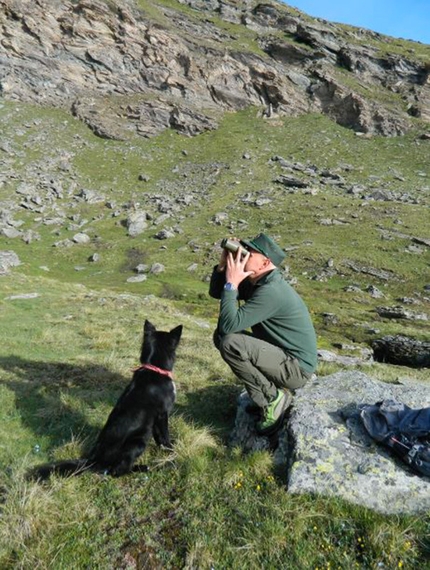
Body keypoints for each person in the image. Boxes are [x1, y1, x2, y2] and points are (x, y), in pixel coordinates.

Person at [209, 233, 317, 434]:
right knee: (221, 337)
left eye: (250, 253)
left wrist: (232, 284)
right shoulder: (257, 281)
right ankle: (266, 390)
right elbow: (217, 293)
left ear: (265, 262)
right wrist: (223, 266)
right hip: (281, 356)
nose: (244, 254)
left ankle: (271, 399)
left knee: (231, 342)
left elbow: (229, 325)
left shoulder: (271, 291)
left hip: (296, 369)